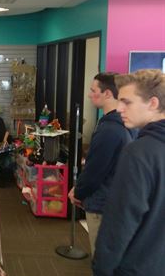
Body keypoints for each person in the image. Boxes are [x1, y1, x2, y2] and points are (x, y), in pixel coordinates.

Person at [93, 69, 165, 276]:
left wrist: (102, 268)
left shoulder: (139, 153)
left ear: (153, 103)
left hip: (134, 265)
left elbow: (120, 222)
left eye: (127, 102)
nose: (119, 108)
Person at [67, 72, 134, 256]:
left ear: (108, 94)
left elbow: (95, 171)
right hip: (114, 200)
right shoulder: (123, 124)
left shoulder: (110, 129)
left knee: (102, 259)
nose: (89, 95)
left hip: (102, 204)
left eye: (93, 90)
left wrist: (78, 192)